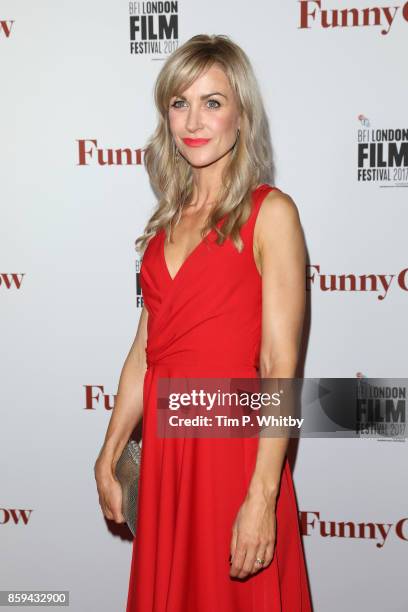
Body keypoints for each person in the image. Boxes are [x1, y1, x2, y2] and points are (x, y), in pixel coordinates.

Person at [94, 34, 313, 611]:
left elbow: (279, 366)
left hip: (232, 456)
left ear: (241, 117)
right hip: (168, 458)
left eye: (213, 102)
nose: (194, 120)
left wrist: (262, 495)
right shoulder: (164, 224)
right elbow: (146, 350)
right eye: (180, 102)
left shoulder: (271, 213)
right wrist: (111, 447)